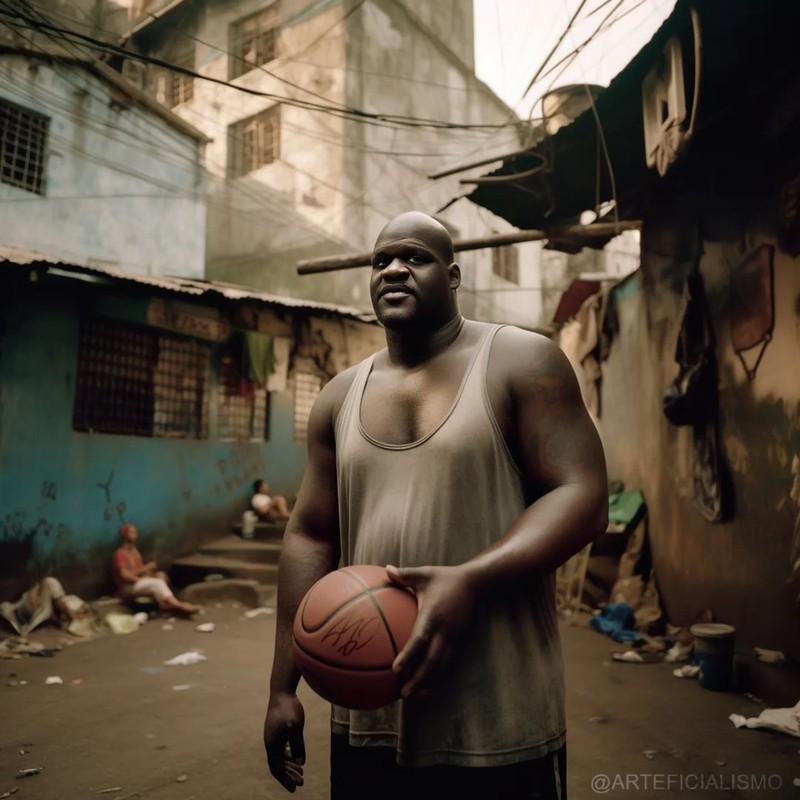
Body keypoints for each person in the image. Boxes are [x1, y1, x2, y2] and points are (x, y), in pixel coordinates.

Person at [263, 211, 608, 799]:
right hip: (368, 716)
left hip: (499, 714)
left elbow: (582, 494)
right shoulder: (338, 396)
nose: (394, 269)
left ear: (452, 277)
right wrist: (281, 688)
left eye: (415, 257)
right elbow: (312, 536)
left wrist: (472, 578)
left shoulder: (520, 360)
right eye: (381, 260)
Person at [112, 523, 200, 616]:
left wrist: (149, 572)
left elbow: (140, 570)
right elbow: (125, 576)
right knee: (156, 583)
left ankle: (164, 605)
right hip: (127, 587)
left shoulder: (135, 552)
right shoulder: (120, 554)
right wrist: (145, 571)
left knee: (161, 576)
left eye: (135, 532)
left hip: (137, 582)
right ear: (125, 535)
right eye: (132, 532)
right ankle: (179, 605)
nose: (135, 535)